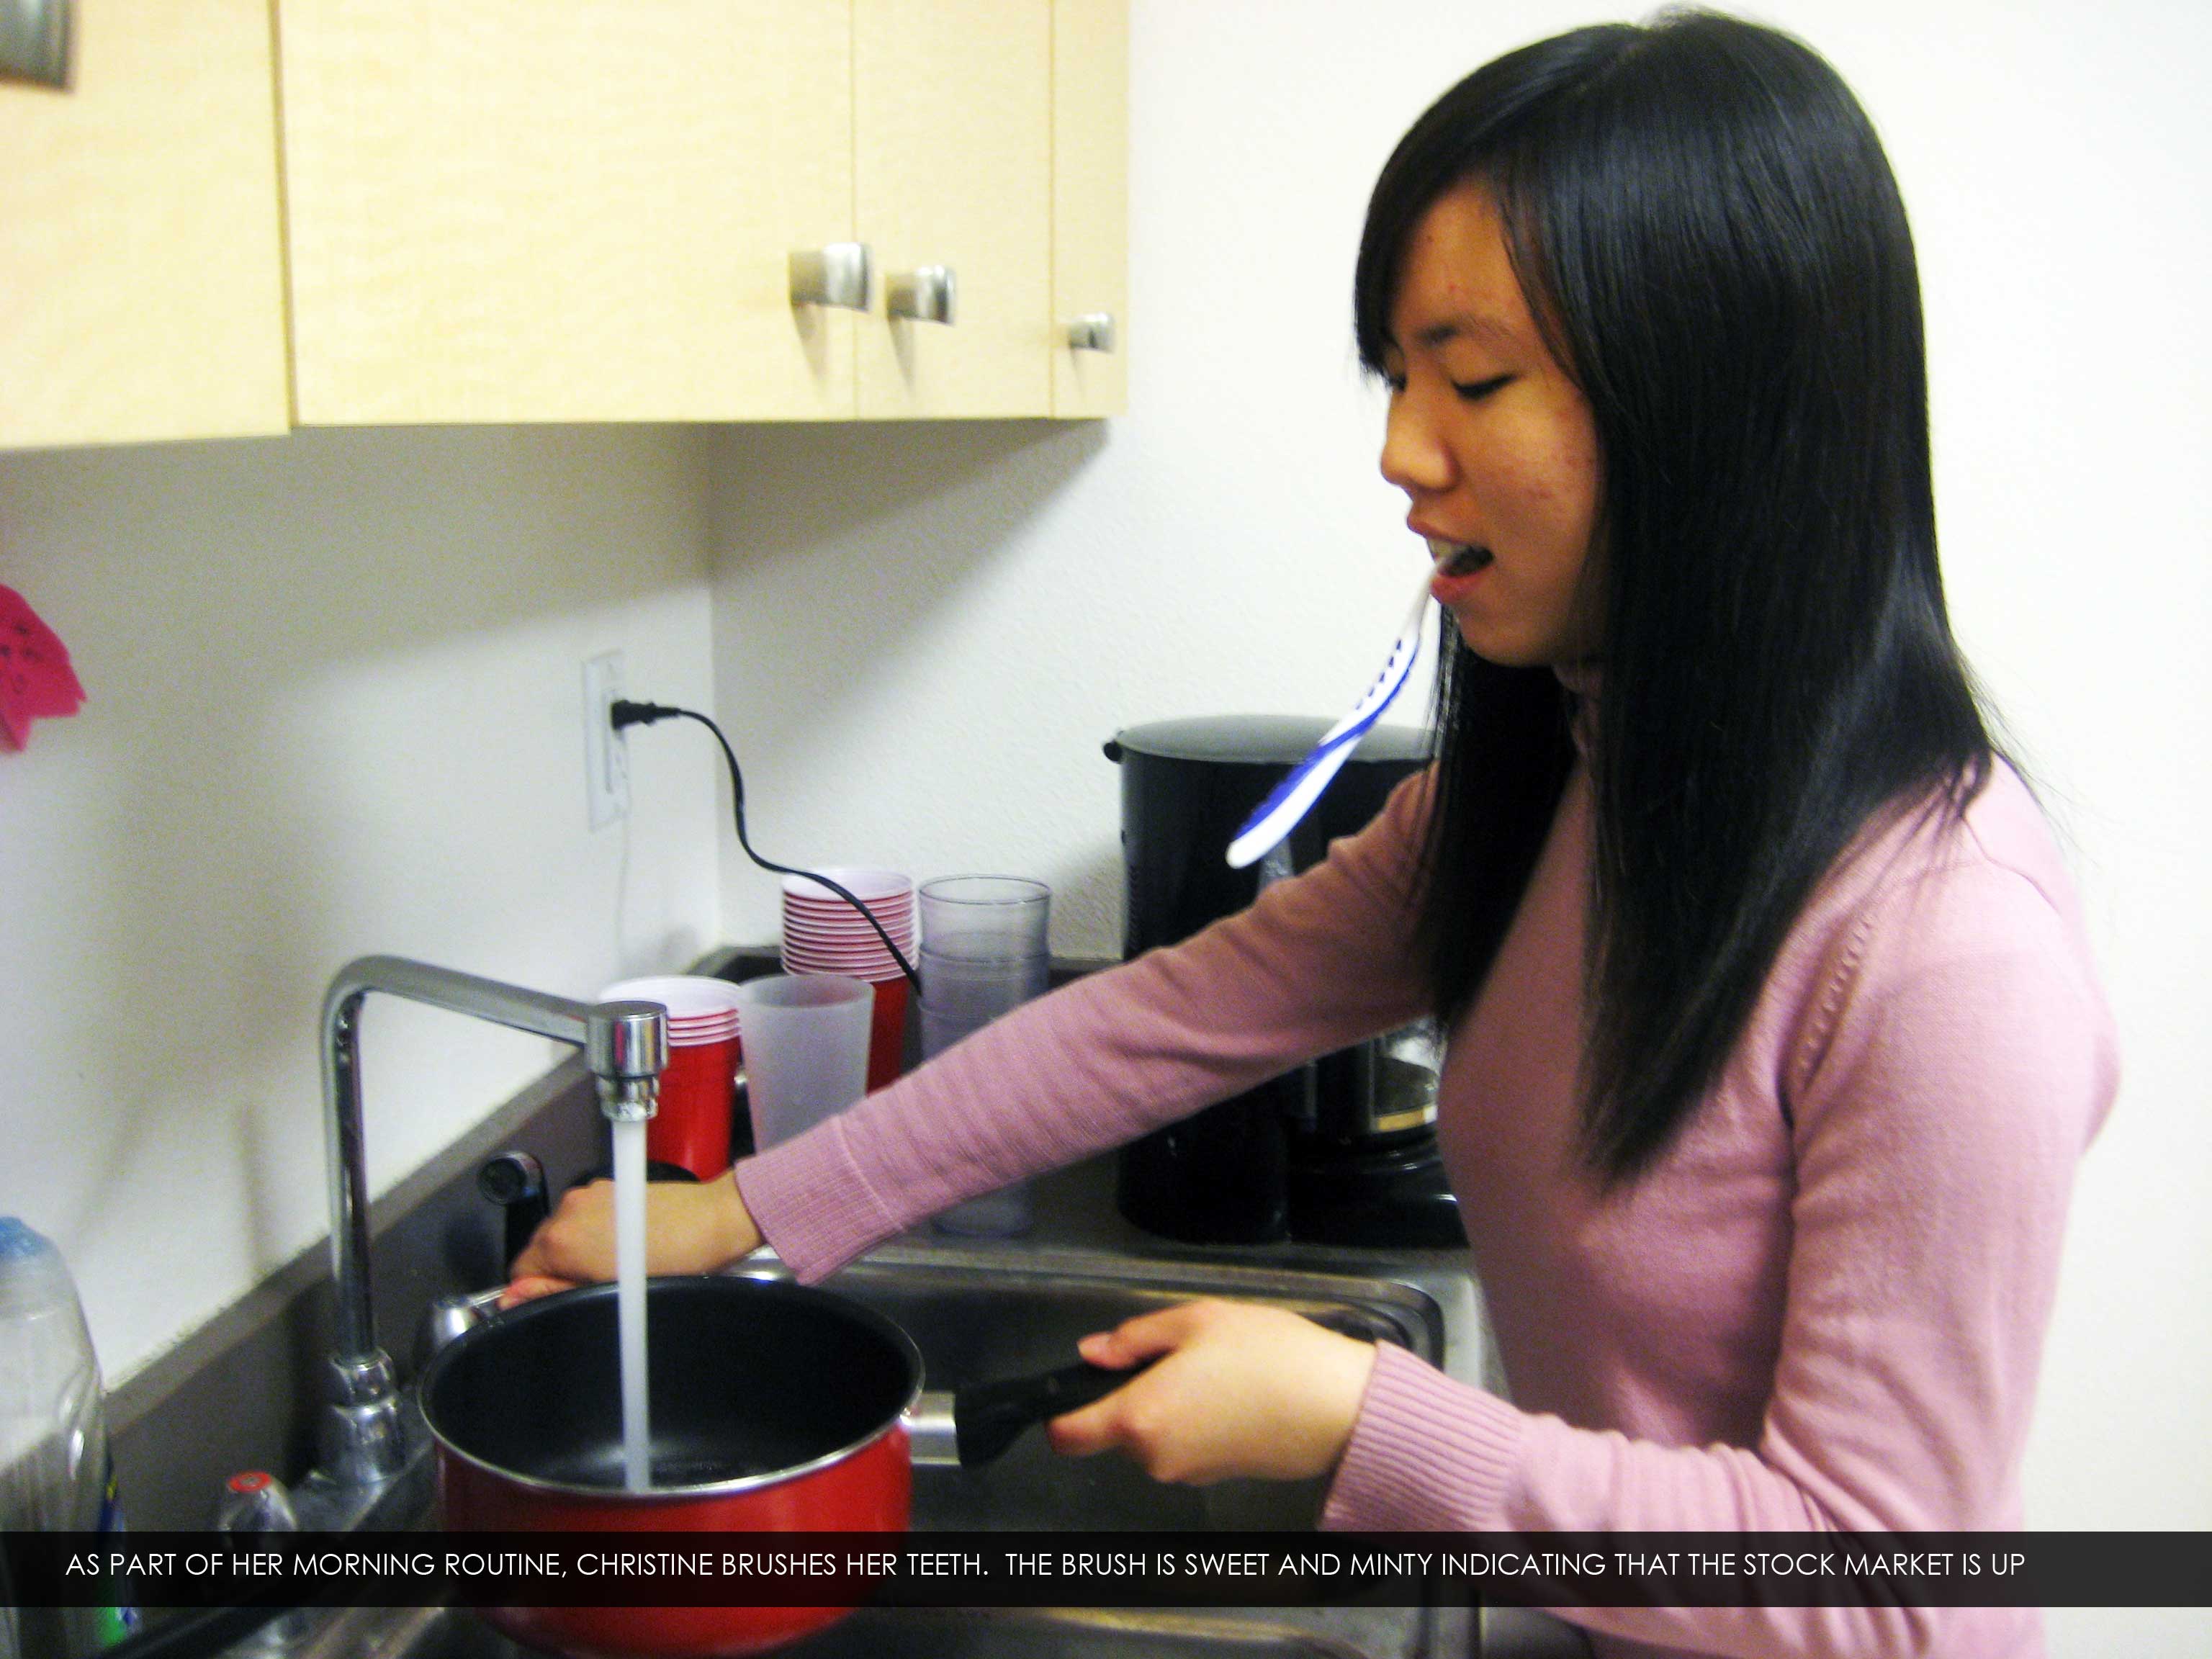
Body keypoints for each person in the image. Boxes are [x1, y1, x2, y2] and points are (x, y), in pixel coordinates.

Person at [513, 12, 2116, 1656]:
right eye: (1399, 377)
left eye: (1474, 380)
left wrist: (1364, 1417)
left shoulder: (1946, 943)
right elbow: (1166, 1018)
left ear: (1717, 411)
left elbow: (1891, 1590)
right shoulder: (1567, 790)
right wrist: (745, 1212)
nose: (1403, 451)